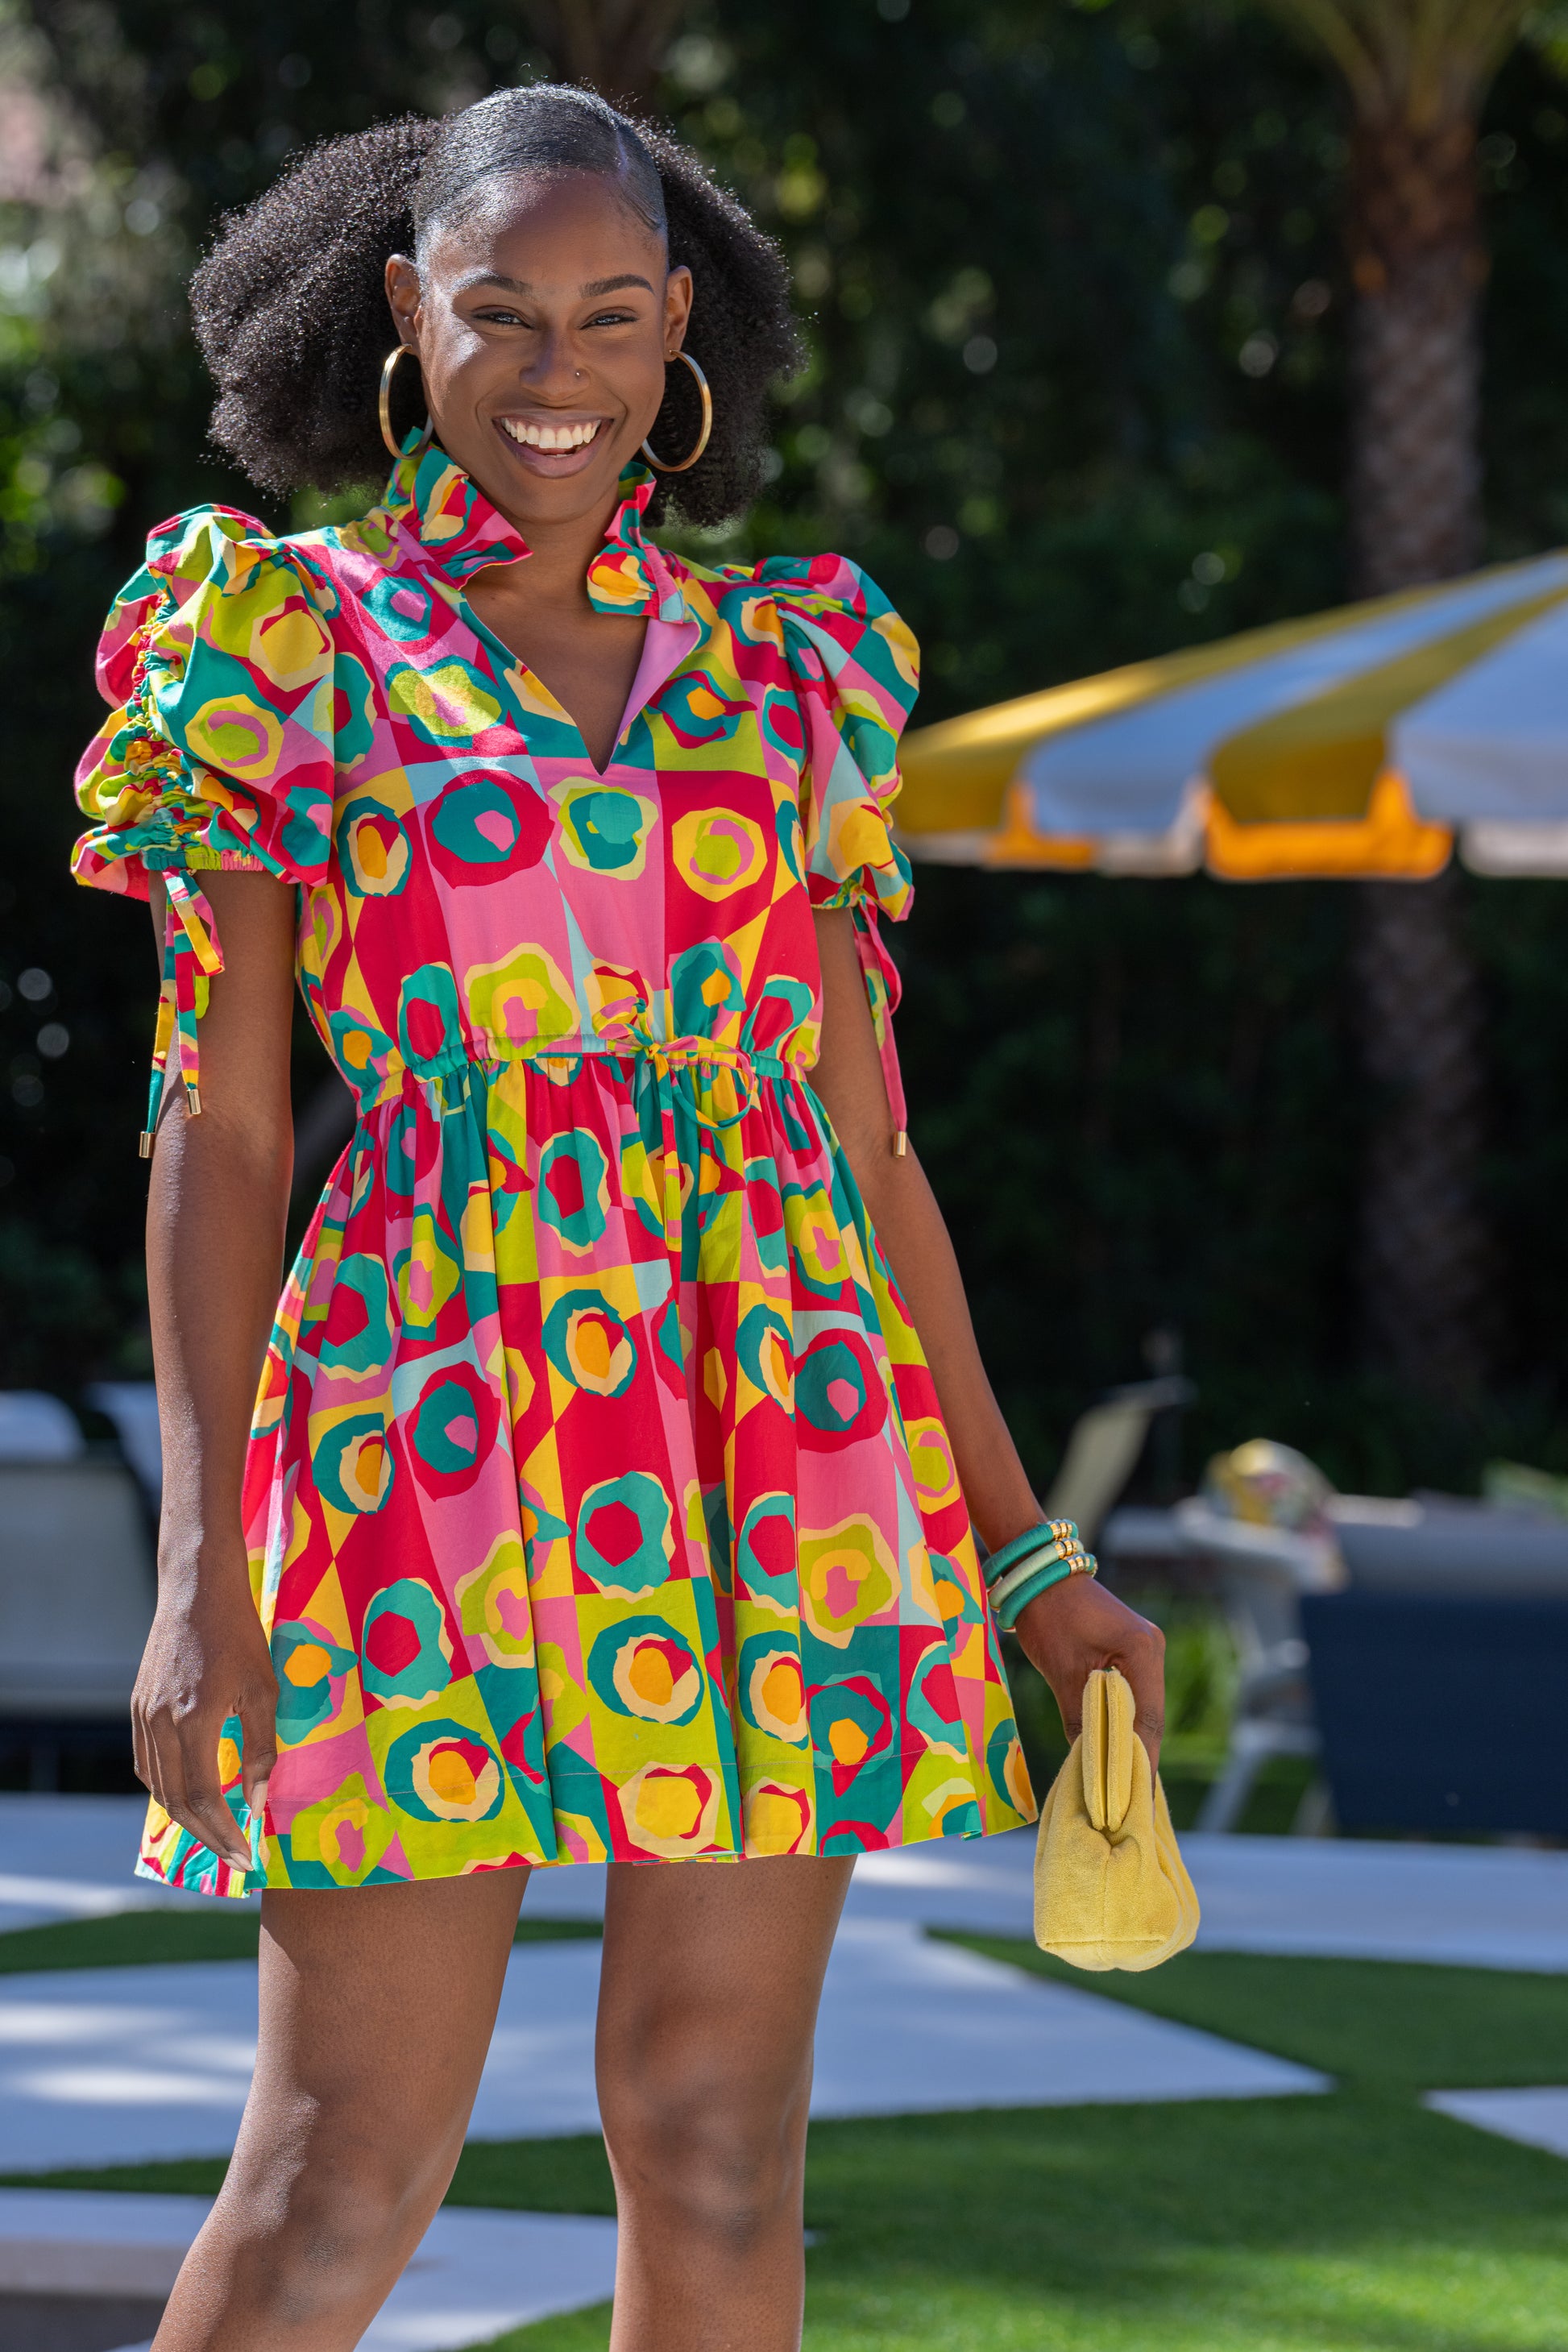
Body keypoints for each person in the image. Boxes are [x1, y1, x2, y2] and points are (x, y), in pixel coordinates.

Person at [72, 83, 1165, 2352]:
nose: (551, 376)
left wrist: (1023, 1545)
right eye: (496, 315)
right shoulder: (280, 646)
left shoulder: (798, 671)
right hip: (417, 1452)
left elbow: (865, 1153)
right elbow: (227, 1126)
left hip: (782, 1443)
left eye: (604, 316)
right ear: (403, 313)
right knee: (334, 2174)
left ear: (681, 327)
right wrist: (200, 1559)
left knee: (711, 2145)